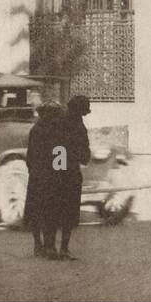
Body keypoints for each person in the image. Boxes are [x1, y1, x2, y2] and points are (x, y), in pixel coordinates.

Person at [24, 102, 66, 258]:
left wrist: (34, 171)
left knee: (36, 212)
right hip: (52, 178)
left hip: (36, 177)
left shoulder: (35, 130)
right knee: (51, 212)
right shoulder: (58, 131)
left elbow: (30, 157)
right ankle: (50, 247)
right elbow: (60, 156)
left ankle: (38, 245)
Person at [55, 95, 92, 259]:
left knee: (57, 211)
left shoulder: (60, 122)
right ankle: (63, 248)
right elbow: (84, 155)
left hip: (59, 172)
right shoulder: (76, 125)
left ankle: (51, 247)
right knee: (68, 213)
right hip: (69, 174)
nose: (83, 115)